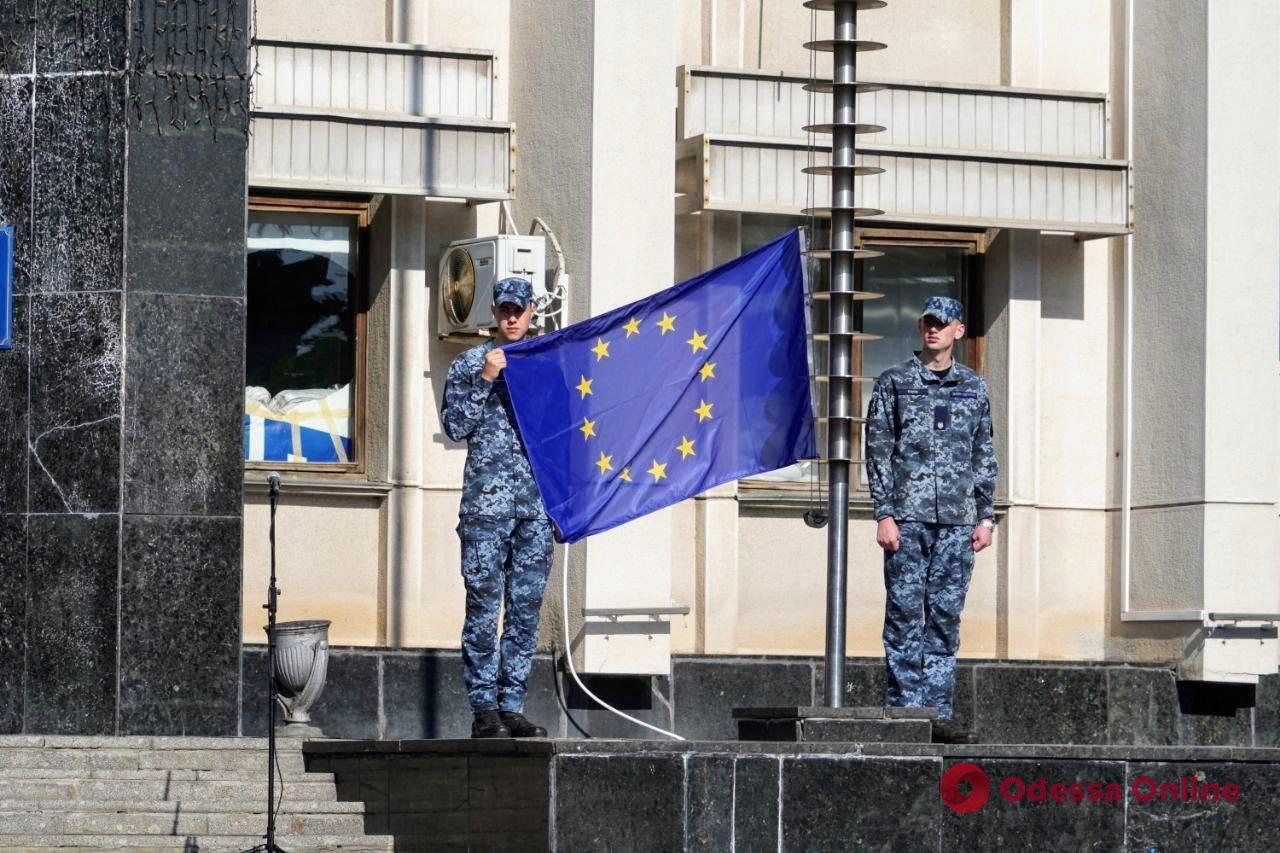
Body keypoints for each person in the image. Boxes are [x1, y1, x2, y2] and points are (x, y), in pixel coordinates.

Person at [864, 296, 998, 744]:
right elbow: (878, 452)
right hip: (908, 520)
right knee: (903, 615)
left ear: (959, 330)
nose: (933, 331)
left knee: (944, 616)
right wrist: (884, 513)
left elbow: (983, 453)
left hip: (958, 523)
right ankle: (906, 710)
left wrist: (986, 516)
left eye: (942, 324)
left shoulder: (973, 388)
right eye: (927, 323)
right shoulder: (895, 384)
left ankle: (937, 713)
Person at [441, 277, 552, 739]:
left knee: (526, 611)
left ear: (531, 314)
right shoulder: (470, 363)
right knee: (484, 609)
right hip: (486, 511)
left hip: (534, 511)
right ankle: (484, 706)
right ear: (493, 311)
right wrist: (486, 379)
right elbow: (454, 426)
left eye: (519, 310)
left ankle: (512, 704)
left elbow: (563, 435)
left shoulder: (546, 364)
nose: (511, 317)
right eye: (504, 309)